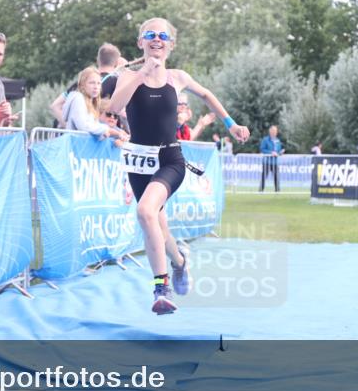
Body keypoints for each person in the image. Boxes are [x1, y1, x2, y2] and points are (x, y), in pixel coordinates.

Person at [109, 17, 249, 315]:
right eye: (150, 34)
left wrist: (230, 123)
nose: (157, 38)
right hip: (139, 162)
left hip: (170, 159)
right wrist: (142, 73)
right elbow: (112, 107)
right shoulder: (127, 76)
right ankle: (180, 262)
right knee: (157, 224)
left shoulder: (177, 77)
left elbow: (207, 95)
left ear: (170, 45)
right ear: (140, 42)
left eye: (163, 35)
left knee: (146, 211)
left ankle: (161, 288)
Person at [50, 43, 127, 128]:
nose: (96, 86)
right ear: (116, 63)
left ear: (98, 60)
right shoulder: (119, 82)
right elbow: (124, 114)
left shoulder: (82, 82)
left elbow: (55, 106)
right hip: (104, 137)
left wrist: (71, 129)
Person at [63, 67, 129, 143]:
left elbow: (93, 129)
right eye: (92, 83)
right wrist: (107, 130)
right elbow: (83, 126)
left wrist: (109, 135)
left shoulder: (92, 102)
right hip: (75, 148)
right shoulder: (78, 98)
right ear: (82, 85)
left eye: (98, 83)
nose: (96, 87)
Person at [259, 125, 284, 191]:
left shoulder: (278, 141)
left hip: (275, 162)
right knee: (264, 176)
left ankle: (277, 190)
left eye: (275, 131)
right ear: (270, 131)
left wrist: (280, 153)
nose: (274, 132)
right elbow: (262, 149)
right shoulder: (265, 140)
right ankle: (261, 190)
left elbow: (278, 151)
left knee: (276, 176)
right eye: (273, 130)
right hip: (267, 161)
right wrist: (271, 152)